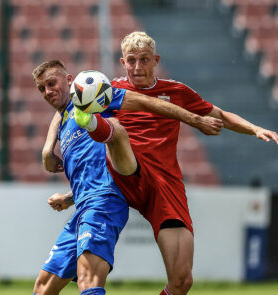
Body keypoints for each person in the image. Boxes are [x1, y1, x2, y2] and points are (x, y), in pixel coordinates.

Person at [43, 32, 278, 295]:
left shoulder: (176, 91)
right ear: (123, 62)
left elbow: (220, 115)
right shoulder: (110, 90)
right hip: (124, 173)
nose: (137, 67)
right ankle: (96, 125)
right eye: (131, 61)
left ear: (155, 60)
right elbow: (69, 106)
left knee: (181, 281)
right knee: (117, 131)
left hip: (163, 184)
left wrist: (255, 128)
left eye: (144, 60)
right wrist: (48, 149)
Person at [33, 59, 223, 295]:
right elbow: (87, 163)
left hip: (104, 200)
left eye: (52, 83)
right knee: (43, 287)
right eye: (42, 88)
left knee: (89, 280)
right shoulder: (64, 121)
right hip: (82, 205)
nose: (48, 91)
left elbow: (147, 103)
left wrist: (195, 120)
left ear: (71, 81)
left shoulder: (94, 98)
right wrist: (49, 154)